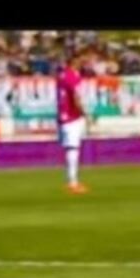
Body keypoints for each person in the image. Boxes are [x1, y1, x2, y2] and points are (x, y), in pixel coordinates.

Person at [56, 55, 89, 194]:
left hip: (63, 116)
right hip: (72, 117)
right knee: (73, 149)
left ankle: (71, 180)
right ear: (75, 62)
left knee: (70, 149)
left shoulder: (61, 75)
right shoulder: (72, 76)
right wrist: (83, 112)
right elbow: (75, 96)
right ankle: (72, 182)